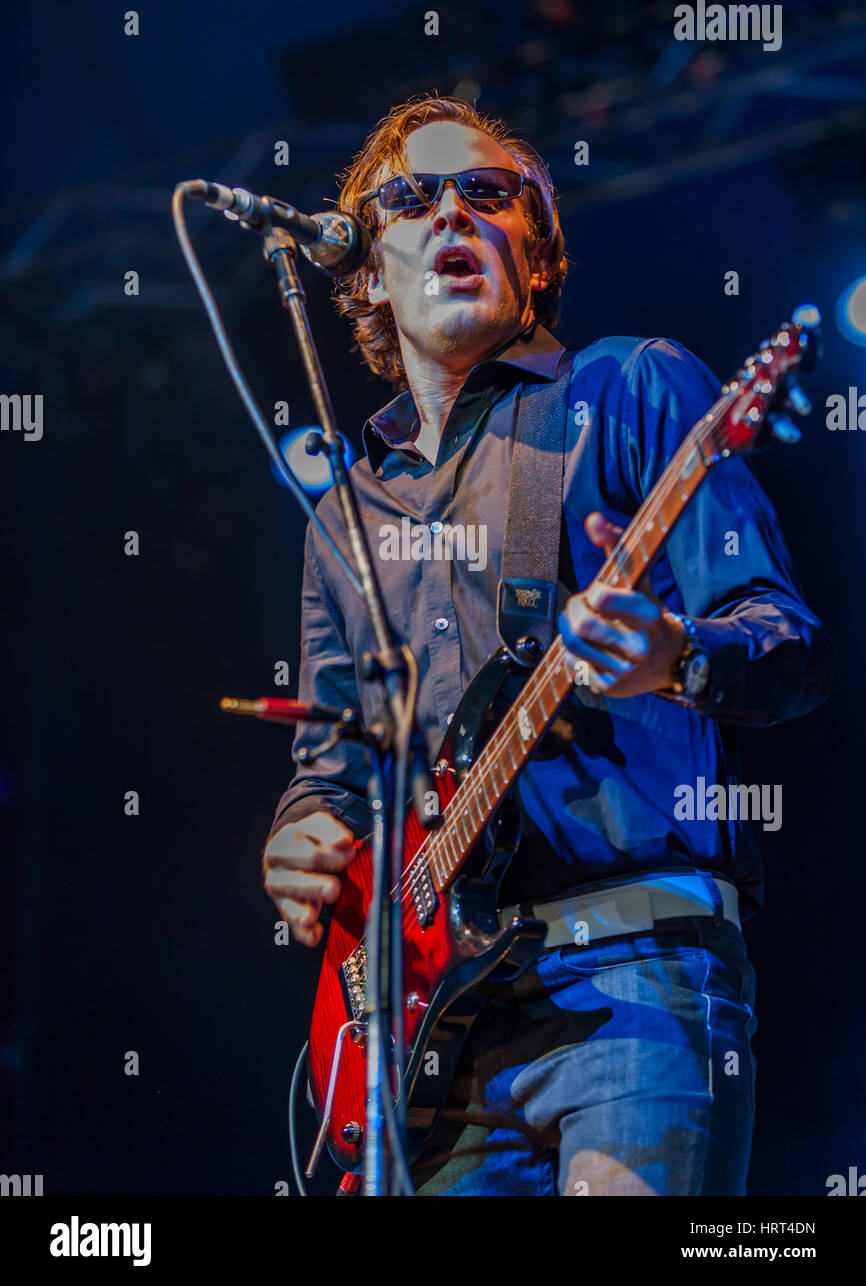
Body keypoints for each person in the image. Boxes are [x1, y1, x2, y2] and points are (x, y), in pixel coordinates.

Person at [262, 95, 831, 1195]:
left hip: (634, 977)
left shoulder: (626, 387)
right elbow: (332, 766)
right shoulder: (345, 514)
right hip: (431, 1040)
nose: (451, 215)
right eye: (409, 198)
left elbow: (787, 644)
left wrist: (672, 657)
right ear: (368, 270)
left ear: (536, 251)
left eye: (487, 193)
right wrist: (302, 836)